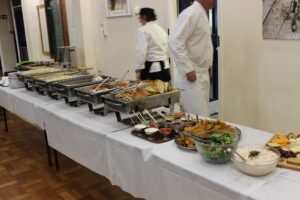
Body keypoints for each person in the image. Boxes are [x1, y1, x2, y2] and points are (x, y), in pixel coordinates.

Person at [169, 0, 215, 116]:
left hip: (202, 73)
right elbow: (175, 42)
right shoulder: (190, 14)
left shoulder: (202, 13)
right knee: (200, 118)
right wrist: (188, 69)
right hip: (191, 76)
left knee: (198, 116)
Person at [136, 8, 171, 82]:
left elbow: (141, 51)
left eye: (140, 18)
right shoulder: (161, 30)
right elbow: (168, 49)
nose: (139, 21)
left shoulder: (143, 30)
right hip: (165, 69)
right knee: (165, 92)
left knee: (150, 92)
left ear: (144, 17)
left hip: (151, 70)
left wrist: (138, 70)